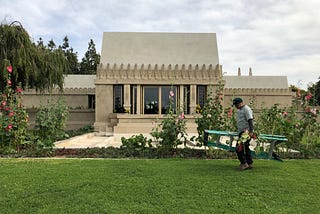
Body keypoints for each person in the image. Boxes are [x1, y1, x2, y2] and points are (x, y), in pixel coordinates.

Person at [232, 97, 254, 170]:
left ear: (241, 103)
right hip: (241, 131)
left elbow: (250, 120)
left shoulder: (246, 109)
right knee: (246, 147)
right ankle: (249, 163)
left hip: (246, 132)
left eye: (236, 105)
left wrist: (251, 132)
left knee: (239, 148)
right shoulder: (240, 110)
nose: (235, 106)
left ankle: (244, 163)